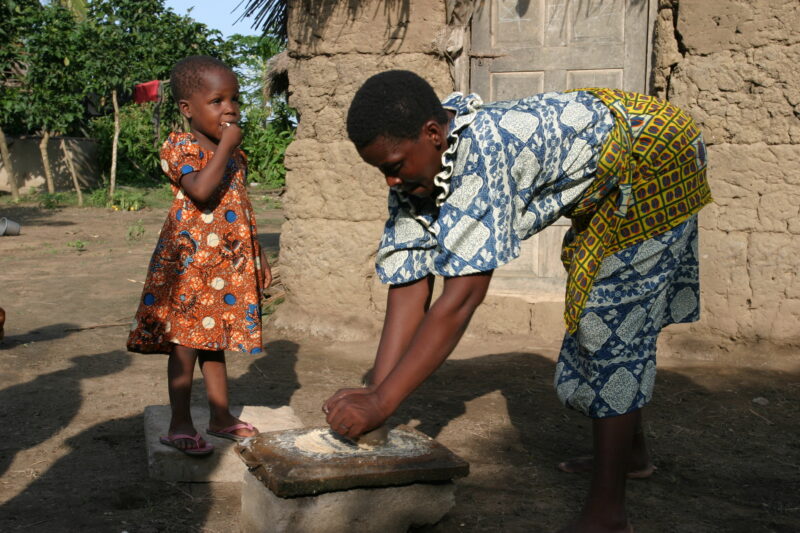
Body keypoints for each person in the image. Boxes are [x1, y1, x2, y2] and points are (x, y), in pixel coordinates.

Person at [323, 70, 712, 532]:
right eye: (381, 170)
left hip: (656, 156)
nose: (390, 180)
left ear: (433, 134)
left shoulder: (481, 159)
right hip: (611, 155)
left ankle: (608, 512)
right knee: (603, 318)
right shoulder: (420, 164)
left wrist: (383, 402)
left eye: (394, 165)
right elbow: (410, 278)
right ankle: (629, 454)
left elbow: (461, 299)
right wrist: (376, 392)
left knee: (610, 324)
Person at [127, 56, 271, 456]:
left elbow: (240, 205)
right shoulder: (180, 147)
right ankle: (180, 424)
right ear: (187, 109)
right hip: (189, 267)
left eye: (234, 99)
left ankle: (221, 416)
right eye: (217, 100)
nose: (230, 109)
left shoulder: (236, 158)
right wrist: (226, 145)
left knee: (215, 341)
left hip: (225, 267)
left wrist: (257, 254)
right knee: (185, 344)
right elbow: (201, 191)